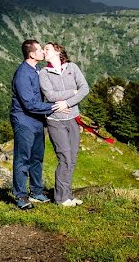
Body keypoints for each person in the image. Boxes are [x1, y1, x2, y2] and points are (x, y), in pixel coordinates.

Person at [10, 39, 66, 209]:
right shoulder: (22, 74)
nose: (43, 52)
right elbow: (29, 104)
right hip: (24, 121)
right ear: (32, 54)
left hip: (36, 121)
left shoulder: (37, 70)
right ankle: (21, 196)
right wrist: (55, 106)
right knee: (23, 158)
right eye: (40, 50)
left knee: (36, 157)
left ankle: (36, 191)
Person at [40, 42, 90, 206]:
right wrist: (72, 93)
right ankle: (61, 198)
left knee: (72, 159)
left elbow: (85, 89)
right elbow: (50, 95)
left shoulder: (72, 68)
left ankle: (68, 195)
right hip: (55, 121)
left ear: (57, 50)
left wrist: (67, 103)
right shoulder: (44, 73)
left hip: (73, 119)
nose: (43, 51)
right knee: (65, 158)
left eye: (46, 49)